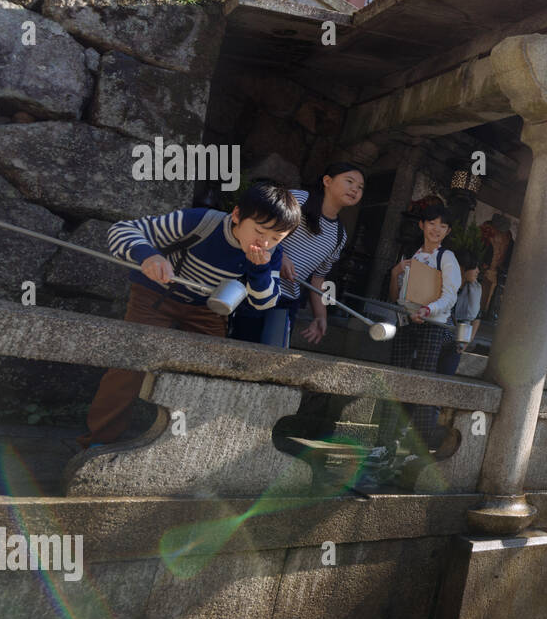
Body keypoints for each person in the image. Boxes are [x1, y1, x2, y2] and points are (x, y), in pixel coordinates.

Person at [77, 182, 300, 449]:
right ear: (238, 215)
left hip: (207, 309)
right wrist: (148, 256)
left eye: (276, 238)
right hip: (156, 297)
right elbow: (123, 230)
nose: (264, 243)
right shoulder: (200, 221)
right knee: (131, 364)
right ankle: (99, 441)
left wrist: (260, 270)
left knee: (207, 375)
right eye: (260, 231)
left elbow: (264, 303)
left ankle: (182, 446)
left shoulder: (270, 254)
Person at [229, 163, 362, 349]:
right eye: (349, 181)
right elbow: (257, 230)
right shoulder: (296, 200)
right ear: (327, 181)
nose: (355, 189)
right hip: (256, 285)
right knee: (240, 346)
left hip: (286, 302)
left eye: (360, 187)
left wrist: (320, 316)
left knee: (273, 354)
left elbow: (318, 279)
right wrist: (279, 255)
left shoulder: (340, 235)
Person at [386, 202, 462, 457]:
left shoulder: (447, 258)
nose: (436, 229)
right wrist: (396, 272)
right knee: (396, 380)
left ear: (448, 231)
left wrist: (427, 310)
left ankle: (417, 449)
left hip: (433, 325)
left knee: (424, 384)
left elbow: (450, 296)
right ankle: (385, 443)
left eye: (443, 225)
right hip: (407, 322)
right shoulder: (411, 254)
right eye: (432, 223)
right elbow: (396, 295)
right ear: (422, 225)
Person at [438, 251, 481, 377]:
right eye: (475, 267)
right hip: (437, 335)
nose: (478, 271)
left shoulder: (472, 290)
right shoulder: (446, 284)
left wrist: (467, 341)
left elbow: (477, 317)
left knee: (446, 377)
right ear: (463, 268)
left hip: (456, 343)